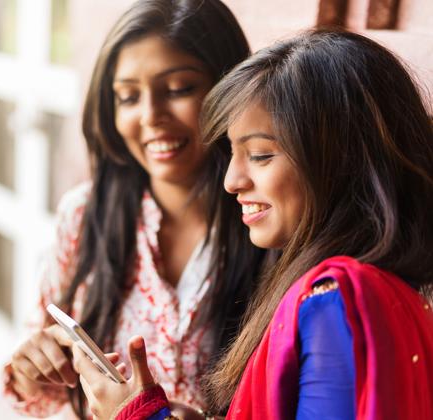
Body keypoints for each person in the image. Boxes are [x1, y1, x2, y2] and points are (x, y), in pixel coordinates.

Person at [72, 29, 433, 419]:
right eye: (233, 153)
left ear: (342, 160)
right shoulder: (380, 294)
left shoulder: (336, 299)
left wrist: (136, 415)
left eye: (260, 155)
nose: (232, 181)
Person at [3, 0, 267, 418]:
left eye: (179, 89)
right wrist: (31, 368)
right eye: (128, 96)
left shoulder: (266, 221)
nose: (151, 116)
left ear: (227, 88)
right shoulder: (84, 216)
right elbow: (40, 397)